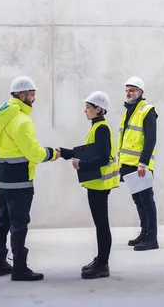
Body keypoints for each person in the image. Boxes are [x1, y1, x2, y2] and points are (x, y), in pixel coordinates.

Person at [0, 75, 59, 281]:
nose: (34, 99)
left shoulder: (1, 117)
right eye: (32, 95)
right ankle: (19, 268)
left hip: (1, 178)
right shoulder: (21, 121)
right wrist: (53, 153)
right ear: (22, 95)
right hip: (19, 180)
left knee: (2, 220)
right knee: (19, 223)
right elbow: (33, 152)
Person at [59, 91, 119, 279]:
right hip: (96, 185)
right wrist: (64, 152)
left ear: (98, 109)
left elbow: (101, 158)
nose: (85, 110)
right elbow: (88, 152)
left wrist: (80, 165)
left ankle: (102, 264)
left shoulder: (101, 128)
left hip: (100, 185)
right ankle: (100, 260)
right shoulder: (97, 127)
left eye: (88, 107)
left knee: (101, 225)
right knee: (100, 224)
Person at [117, 76, 159, 251]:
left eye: (132, 90)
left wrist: (143, 163)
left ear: (140, 92)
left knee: (146, 199)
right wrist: (120, 163)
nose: (128, 93)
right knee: (138, 200)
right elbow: (124, 138)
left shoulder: (147, 110)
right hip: (128, 163)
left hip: (139, 165)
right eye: (127, 90)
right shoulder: (129, 111)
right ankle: (144, 232)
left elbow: (150, 139)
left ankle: (152, 237)